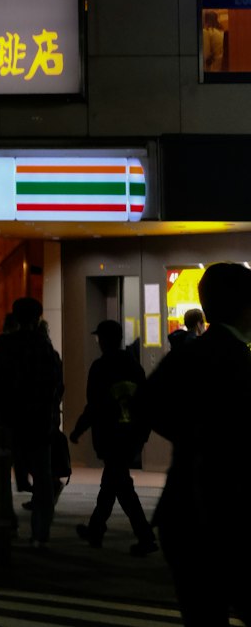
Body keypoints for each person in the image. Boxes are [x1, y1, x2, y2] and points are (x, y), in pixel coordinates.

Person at [145, 260, 251, 625]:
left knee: (202, 614)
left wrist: (193, 436)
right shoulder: (240, 361)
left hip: (183, 512)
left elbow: (149, 405)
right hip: (231, 515)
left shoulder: (186, 356)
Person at [70, 319, 157, 555]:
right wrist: (143, 433)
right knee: (113, 483)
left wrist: (79, 429)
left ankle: (145, 536)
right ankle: (96, 529)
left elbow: (94, 405)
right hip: (130, 435)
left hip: (110, 434)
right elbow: (145, 402)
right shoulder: (134, 365)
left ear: (106, 340)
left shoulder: (100, 367)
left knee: (122, 487)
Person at [0, 296, 64, 547]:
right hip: (38, 423)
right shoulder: (45, 349)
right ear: (38, 317)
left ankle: (7, 524)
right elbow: (56, 386)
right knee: (42, 477)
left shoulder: (2, 345)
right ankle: (40, 533)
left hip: (7, 422)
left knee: (0, 476)